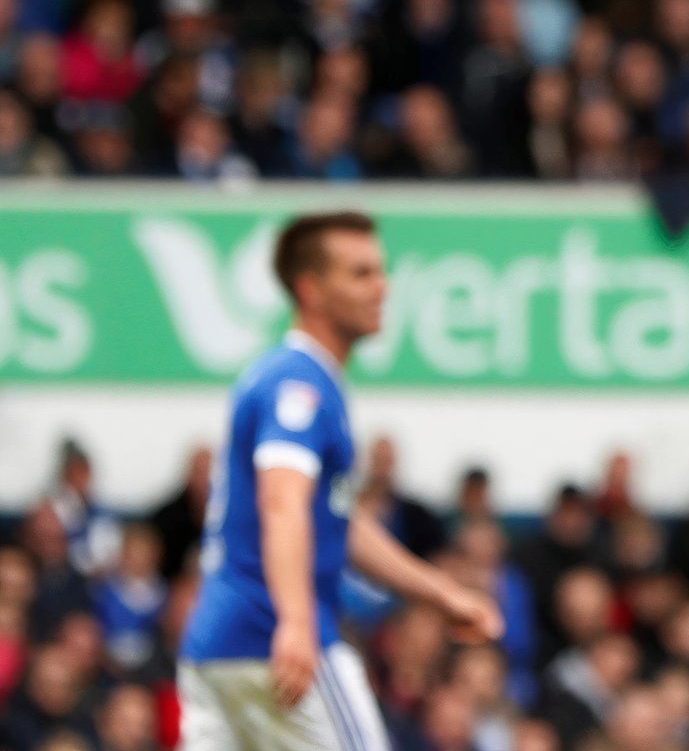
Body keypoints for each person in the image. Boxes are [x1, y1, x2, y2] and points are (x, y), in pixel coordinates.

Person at [178, 211, 503, 749]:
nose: (382, 287)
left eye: (381, 271)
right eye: (361, 273)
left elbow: (337, 524)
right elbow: (282, 503)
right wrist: (296, 623)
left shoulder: (289, 375)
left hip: (216, 649)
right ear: (310, 289)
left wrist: (441, 594)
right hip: (274, 640)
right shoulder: (299, 385)